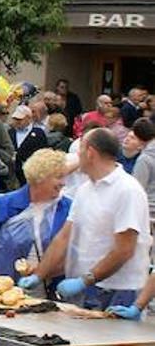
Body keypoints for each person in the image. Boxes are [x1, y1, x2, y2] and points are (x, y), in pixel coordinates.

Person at [20, 128, 152, 309]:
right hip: (90, 288)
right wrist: (39, 275)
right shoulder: (85, 190)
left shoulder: (127, 190)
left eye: (80, 150)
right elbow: (64, 237)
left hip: (119, 290)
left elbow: (124, 249)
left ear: (90, 153)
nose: (77, 156)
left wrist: (85, 280)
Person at [0, 148, 71, 278]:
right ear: (40, 178)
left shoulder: (68, 208)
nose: (63, 183)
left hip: (53, 287)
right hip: (6, 287)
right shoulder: (3, 205)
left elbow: (73, 251)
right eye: (58, 177)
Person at [7, 105, 48, 184]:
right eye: (15, 119)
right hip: (13, 173)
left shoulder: (38, 133)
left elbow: (43, 152)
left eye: (20, 119)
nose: (17, 121)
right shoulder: (10, 132)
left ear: (29, 118)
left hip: (31, 173)